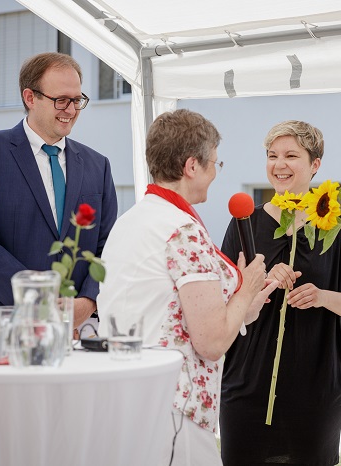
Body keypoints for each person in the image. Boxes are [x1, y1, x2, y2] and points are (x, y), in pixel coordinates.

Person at [97, 109, 277, 465]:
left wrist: (245, 306)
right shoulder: (183, 231)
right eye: (215, 163)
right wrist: (246, 288)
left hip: (128, 395)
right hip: (175, 407)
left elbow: (168, 309)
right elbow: (210, 341)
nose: (215, 173)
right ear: (192, 166)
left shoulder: (131, 221)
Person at [219, 120, 341, 465]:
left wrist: (322, 296)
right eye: (272, 155)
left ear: (315, 164)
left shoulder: (339, 227)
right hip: (248, 382)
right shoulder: (245, 223)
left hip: (316, 388)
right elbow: (224, 299)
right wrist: (262, 281)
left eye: (290, 156)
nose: (279, 164)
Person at [0, 52, 117, 333]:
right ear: (30, 98)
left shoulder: (98, 165)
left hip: (75, 328)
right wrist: (40, 303)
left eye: (77, 100)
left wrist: (90, 300)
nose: (71, 110)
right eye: (61, 100)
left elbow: (109, 245)